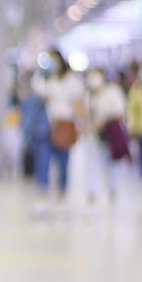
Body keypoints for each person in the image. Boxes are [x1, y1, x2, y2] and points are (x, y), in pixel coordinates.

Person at [34, 50, 85, 209]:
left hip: (65, 125)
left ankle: (63, 192)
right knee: (44, 159)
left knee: (64, 161)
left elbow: (77, 103)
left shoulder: (72, 81)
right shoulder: (47, 79)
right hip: (48, 126)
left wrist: (82, 124)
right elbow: (43, 96)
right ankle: (43, 193)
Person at [86, 67, 127, 204]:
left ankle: (113, 189)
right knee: (94, 162)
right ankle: (92, 191)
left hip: (110, 135)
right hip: (94, 135)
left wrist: (104, 122)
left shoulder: (113, 92)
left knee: (112, 165)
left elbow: (120, 113)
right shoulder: (90, 95)